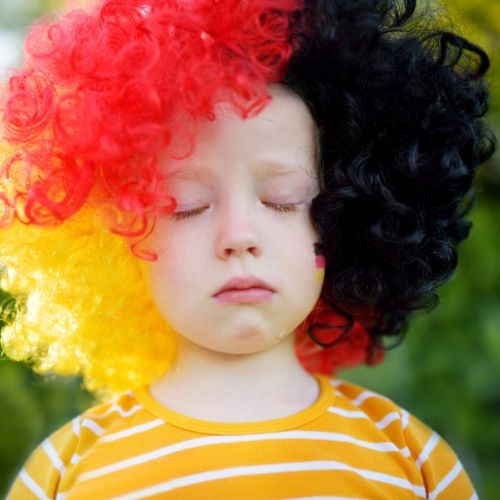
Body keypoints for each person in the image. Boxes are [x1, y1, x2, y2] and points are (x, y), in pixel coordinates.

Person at [1, 0, 495, 498]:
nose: (239, 235)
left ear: (350, 216)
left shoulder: (409, 457)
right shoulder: (68, 470)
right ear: (118, 231)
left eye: (282, 201)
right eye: (186, 205)